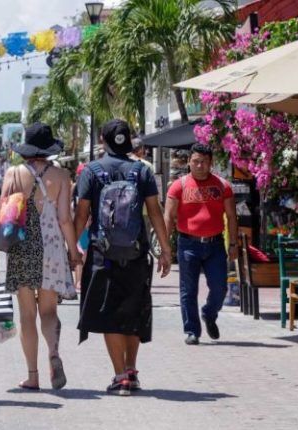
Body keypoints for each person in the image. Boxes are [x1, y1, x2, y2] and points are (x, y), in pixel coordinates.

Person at [74, 119, 172, 397]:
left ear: (102, 140)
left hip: (102, 254)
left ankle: (120, 377)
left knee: (109, 314)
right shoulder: (142, 171)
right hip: (136, 252)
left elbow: (81, 215)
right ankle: (131, 370)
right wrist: (165, 249)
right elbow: (155, 211)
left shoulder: (91, 171)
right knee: (132, 311)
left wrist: (71, 248)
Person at [0, 123, 82, 390]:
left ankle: (33, 375)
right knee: (49, 311)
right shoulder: (61, 176)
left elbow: (3, 215)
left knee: (27, 314)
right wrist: (74, 251)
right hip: (51, 246)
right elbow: (65, 218)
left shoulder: (14, 174)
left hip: (22, 246)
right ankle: (53, 351)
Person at [164, 143, 237, 345]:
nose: (199, 165)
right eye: (195, 161)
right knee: (188, 290)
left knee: (220, 287)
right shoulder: (178, 185)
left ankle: (209, 313)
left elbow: (232, 216)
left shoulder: (223, 186)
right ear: (189, 162)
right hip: (188, 244)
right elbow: (168, 216)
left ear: (211, 163)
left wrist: (233, 244)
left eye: (204, 161)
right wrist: (165, 247)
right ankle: (192, 331)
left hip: (215, 244)